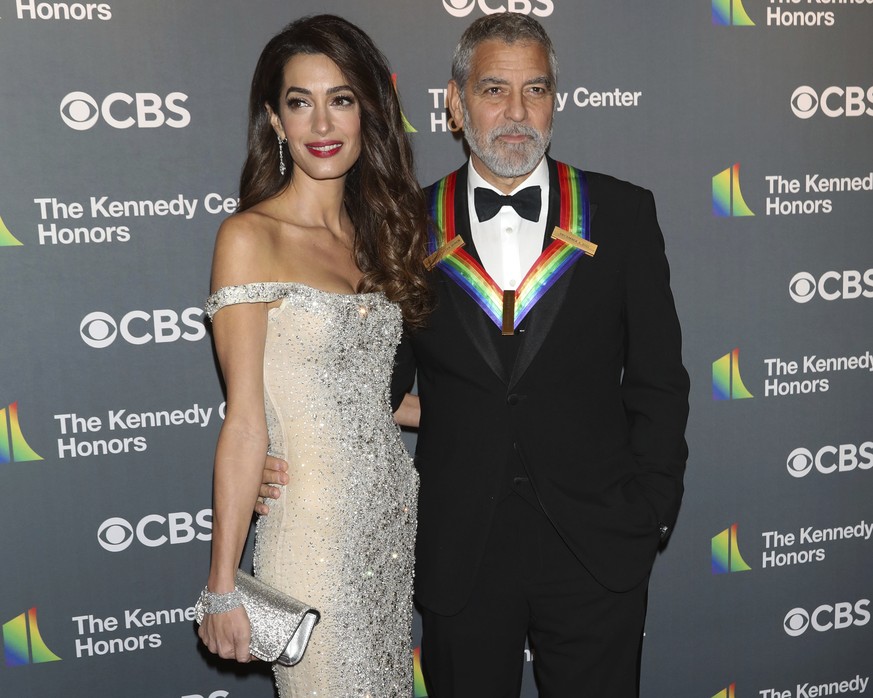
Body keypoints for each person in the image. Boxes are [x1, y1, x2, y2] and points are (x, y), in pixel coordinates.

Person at [260, 12, 689, 697]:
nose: (516, 112)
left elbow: (658, 381)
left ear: (554, 101)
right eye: (493, 90)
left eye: (535, 90)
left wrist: (650, 512)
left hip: (598, 544)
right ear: (456, 105)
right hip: (462, 549)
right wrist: (288, 454)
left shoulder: (622, 213)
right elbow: (370, 388)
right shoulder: (403, 227)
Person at [196, 14, 431, 697]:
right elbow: (245, 420)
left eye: (341, 99)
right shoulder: (249, 237)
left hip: (390, 528)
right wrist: (221, 585)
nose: (321, 123)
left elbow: (378, 401)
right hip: (313, 537)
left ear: (368, 112)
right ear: (274, 119)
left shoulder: (382, 236)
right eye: (300, 101)